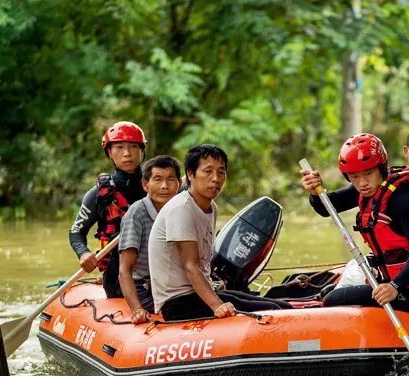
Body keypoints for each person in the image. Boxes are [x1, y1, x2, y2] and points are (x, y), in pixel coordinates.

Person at [302, 123, 409, 305]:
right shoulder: (368, 188)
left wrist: (395, 286)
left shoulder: (404, 198)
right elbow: (326, 208)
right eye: (355, 177)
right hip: (401, 282)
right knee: (330, 290)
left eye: (368, 173)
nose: (362, 182)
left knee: (334, 299)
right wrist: (315, 193)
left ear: (381, 168)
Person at [148, 144, 292, 321]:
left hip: (199, 293)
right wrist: (217, 306)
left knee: (282, 307)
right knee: (273, 310)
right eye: (208, 171)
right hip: (178, 302)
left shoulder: (211, 207)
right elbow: (190, 266)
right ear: (191, 174)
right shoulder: (181, 208)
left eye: (221, 172)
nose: (215, 178)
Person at [69, 121, 147, 299]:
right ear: (109, 152)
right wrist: (84, 253)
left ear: (142, 150)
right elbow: (76, 232)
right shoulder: (99, 194)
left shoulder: (159, 185)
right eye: (119, 147)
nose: (127, 153)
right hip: (117, 276)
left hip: (157, 271)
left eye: (133, 146)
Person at [118, 155, 182, 324]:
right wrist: (137, 310)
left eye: (170, 179)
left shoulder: (182, 210)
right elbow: (124, 270)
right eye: (158, 179)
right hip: (146, 287)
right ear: (145, 184)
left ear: (179, 184)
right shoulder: (136, 214)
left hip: (175, 283)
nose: (165, 186)